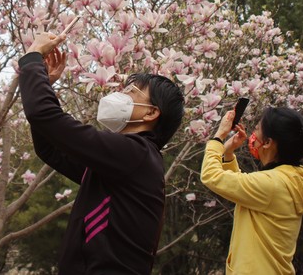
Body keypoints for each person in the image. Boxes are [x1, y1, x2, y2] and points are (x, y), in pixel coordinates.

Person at [18, 31, 185, 274]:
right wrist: (48, 87)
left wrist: (33, 57)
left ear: (151, 113)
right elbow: (50, 149)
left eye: (130, 93)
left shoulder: (134, 154)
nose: (119, 96)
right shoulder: (124, 162)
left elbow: (45, 117)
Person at [201, 106, 303, 274]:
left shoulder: (272, 184)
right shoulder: (289, 179)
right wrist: (228, 153)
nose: (253, 135)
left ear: (268, 142)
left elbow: (211, 175)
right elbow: (245, 192)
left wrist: (218, 137)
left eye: (256, 129)